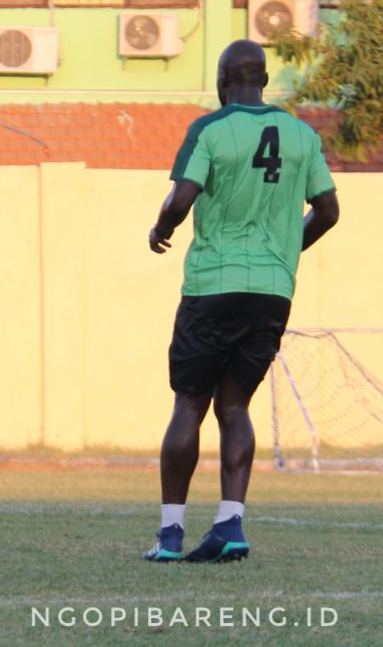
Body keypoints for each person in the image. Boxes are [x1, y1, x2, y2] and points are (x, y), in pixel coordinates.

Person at [143, 40, 339, 563]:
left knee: (190, 402)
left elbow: (182, 198)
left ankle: (170, 534)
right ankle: (231, 524)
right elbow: (328, 210)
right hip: (272, 291)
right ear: (266, 80)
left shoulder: (209, 130)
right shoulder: (302, 134)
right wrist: (285, 248)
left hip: (213, 285)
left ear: (223, 78)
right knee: (235, 406)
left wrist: (161, 228)